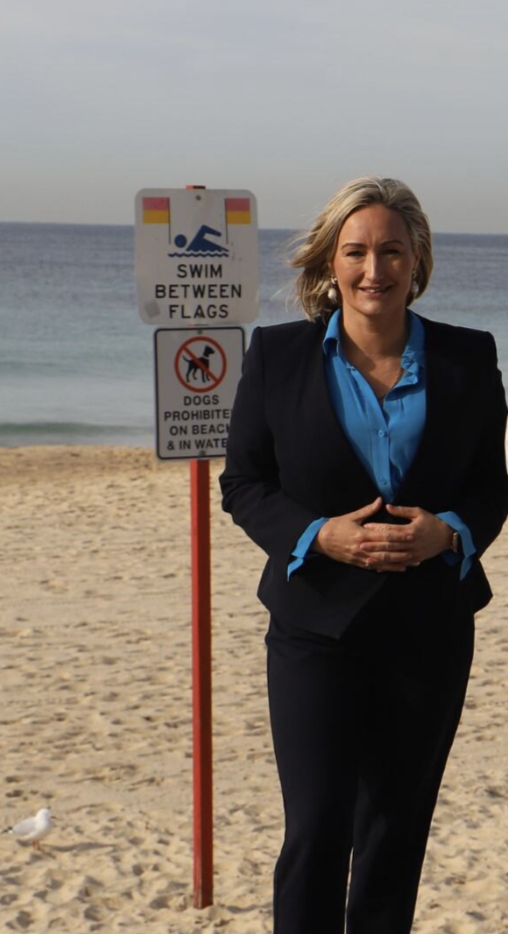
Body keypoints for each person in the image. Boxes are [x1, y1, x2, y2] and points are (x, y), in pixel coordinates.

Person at [220, 176, 508, 934]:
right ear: (329, 263)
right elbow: (245, 485)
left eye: (391, 251)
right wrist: (321, 535)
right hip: (316, 629)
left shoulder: (470, 359)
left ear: (418, 262)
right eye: (356, 251)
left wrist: (449, 531)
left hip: (429, 633)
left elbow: (490, 490)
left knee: (393, 837)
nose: (373, 269)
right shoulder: (277, 357)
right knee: (317, 830)